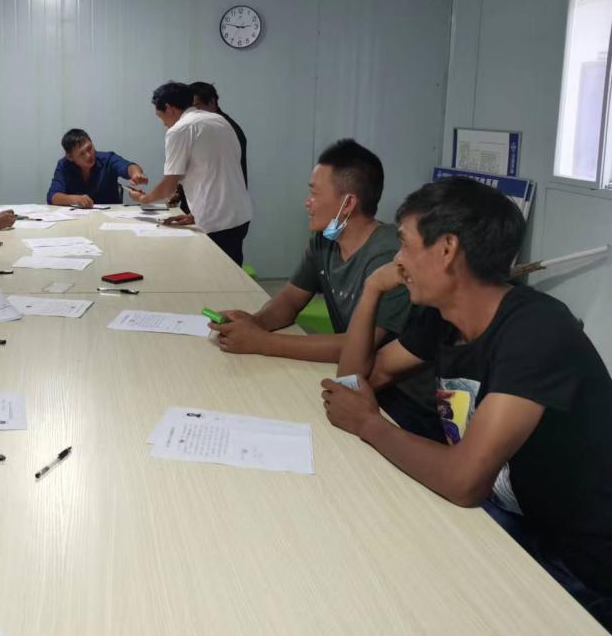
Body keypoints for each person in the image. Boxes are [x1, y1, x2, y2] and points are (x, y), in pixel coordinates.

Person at [321, 177, 612, 626]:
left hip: (581, 565)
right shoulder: (443, 316)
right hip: (516, 518)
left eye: (405, 244)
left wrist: (369, 424)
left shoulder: (537, 331)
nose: (398, 260)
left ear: (446, 249)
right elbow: (357, 381)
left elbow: (464, 481)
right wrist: (372, 293)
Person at [211, 138, 440, 440]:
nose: (307, 202)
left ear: (348, 203)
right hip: (355, 380)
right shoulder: (326, 240)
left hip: (399, 401)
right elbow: (290, 300)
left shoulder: (390, 258)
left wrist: (261, 342)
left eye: (314, 193)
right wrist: (255, 322)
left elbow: (358, 346)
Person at [128, 81, 252, 265]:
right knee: (231, 272)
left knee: (213, 276)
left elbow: (169, 184)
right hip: (240, 215)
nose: (163, 123)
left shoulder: (180, 130)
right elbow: (217, 172)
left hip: (216, 223)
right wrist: (195, 215)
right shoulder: (219, 120)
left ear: (169, 108)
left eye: (160, 116)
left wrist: (145, 199)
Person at [169, 82, 248, 218]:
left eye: (195, 106)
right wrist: (179, 193)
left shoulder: (224, 128)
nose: (191, 111)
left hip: (220, 212)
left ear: (212, 102)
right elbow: (194, 165)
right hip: (200, 207)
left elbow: (217, 176)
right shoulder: (199, 127)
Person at [46, 128, 147, 208]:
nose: (89, 155)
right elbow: (53, 196)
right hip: (78, 219)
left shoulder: (107, 159)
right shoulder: (64, 165)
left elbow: (128, 166)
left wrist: (136, 173)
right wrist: (75, 199)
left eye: (89, 148)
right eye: (82, 154)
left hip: (110, 217)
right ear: (70, 157)